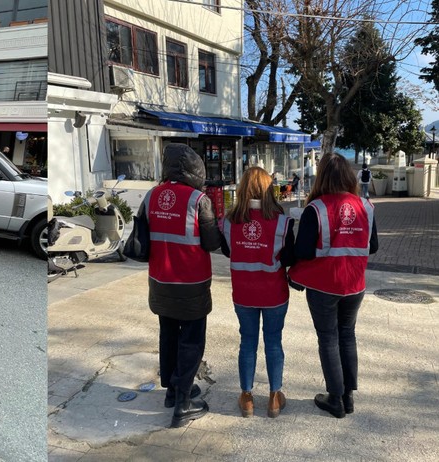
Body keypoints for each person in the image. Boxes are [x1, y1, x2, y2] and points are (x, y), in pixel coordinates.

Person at [137, 143, 222, 428]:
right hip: (192, 284)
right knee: (192, 341)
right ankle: (184, 404)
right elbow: (212, 242)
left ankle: (173, 391)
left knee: (169, 336)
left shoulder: (151, 196)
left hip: (160, 281)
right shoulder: (199, 200)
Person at [289, 153, 378, 418]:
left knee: (328, 337)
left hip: (324, 287)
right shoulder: (367, 207)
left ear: (322, 177)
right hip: (355, 285)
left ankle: (335, 398)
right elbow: (372, 246)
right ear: (350, 176)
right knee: (347, 334)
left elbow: (302, 251)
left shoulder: (316, 209)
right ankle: (348, 396)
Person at [220, 167, 295, 418]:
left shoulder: (229, 222)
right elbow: (289, 255)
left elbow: (229, 252)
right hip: (274, 293)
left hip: (243, 294)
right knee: (273, 342)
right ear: (268, 189)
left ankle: (247, 397)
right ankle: (274, 397)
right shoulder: (282, 222)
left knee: (247, 342)